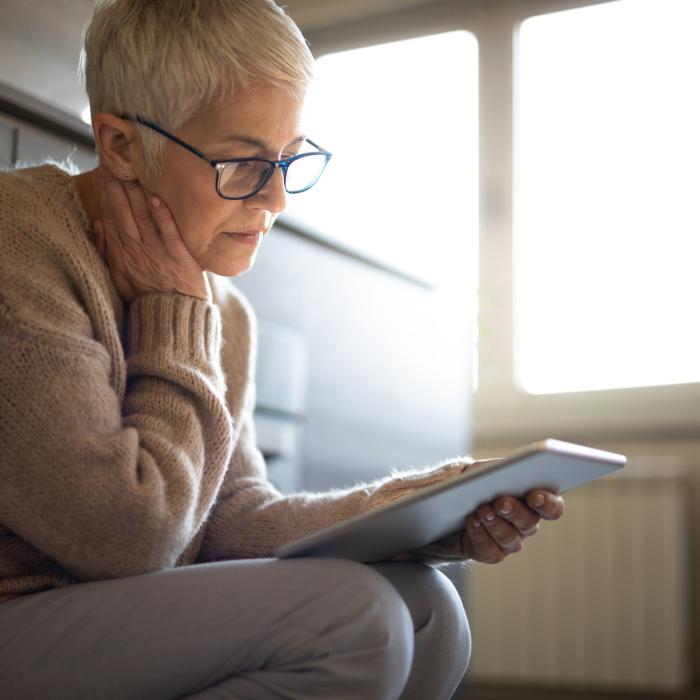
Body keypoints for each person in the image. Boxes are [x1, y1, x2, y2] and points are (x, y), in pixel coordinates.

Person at [0, 1, 564, 698]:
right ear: (119, 145)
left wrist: (430, 511)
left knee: (429, 611)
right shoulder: (19, 244)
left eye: (290, 160)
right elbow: (128, 539)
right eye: (242, 163)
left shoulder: (221, 307)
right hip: (16, 615)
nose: (276, 200)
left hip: (97, 621)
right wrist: (174, 314)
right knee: (356, 618)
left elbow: (231, 519)